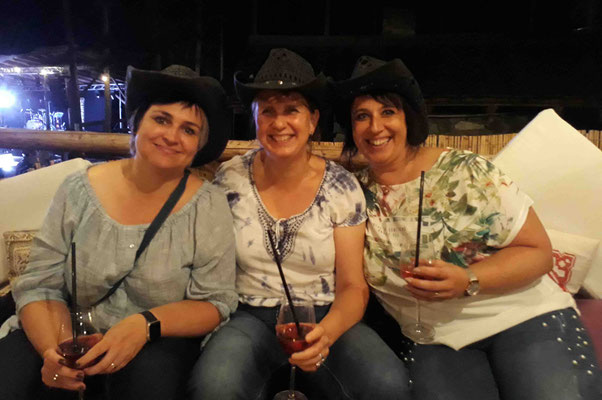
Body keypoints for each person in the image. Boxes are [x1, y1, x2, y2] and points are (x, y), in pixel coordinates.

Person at [333, 55, 601, 400]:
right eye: (361, 116)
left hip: (521, 316)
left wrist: (468, 280)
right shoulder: (351, 195)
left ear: (409, 118)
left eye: (388, 112)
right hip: (434, 338)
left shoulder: (466, 171)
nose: (375, 127)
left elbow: (538, 253)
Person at [0, 65, 238, 400]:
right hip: (64, 327)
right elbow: (40, 283)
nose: (171, 136)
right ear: (137, 122)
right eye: (162, 119)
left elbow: (215, 301)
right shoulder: (78, 190)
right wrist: (56, 352)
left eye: (188, 129)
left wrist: (144, 325)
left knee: (150, 384)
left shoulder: (209, 204)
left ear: (198, 145)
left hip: (158, 340)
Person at [189, 48, 410, 400]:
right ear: (255, 119)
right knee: (214, 385)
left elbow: (354, 286)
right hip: (249, 315)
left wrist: (329, 333)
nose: (279, 124)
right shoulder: (229, 180)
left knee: (387, 384)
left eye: (292, 110)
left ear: (312, 121)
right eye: (268, 112)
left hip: (327, 313)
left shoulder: (341, 187)